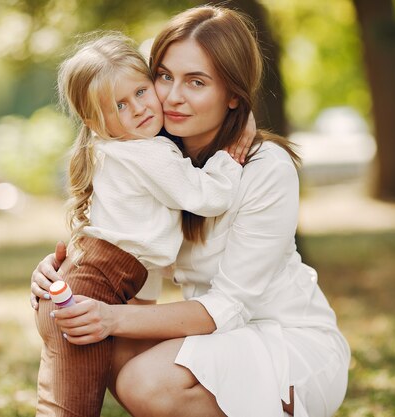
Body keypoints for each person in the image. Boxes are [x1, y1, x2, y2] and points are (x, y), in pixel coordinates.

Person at [31, 6, 351, 417]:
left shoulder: (266, 168)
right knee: (105, 348)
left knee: (144, 380)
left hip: (283, 341)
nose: (173, 96)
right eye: (164, 77)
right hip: (213, 338)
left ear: (233, 93)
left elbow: (230, 306)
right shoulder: (156, 154)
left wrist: (111, 318)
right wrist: (67, 274)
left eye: (196, 82)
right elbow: (127, 239)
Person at [34, 32, 246, 417]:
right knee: (69, 410)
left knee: (66, 407)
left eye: (142, 92)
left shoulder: (115, 148)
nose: (137, 109)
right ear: (94, 121)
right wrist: (231, 157)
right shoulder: (147, 153)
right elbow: (208, 196)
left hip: (82, 287)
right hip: (86, 295)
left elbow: (136, 250)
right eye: (119, 105)